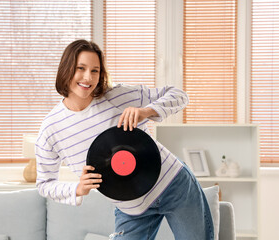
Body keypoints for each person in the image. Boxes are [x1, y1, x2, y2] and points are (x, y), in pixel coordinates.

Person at [35, 39, 214, 240]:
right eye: (81, 68)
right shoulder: (51, 128)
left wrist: (146, 111)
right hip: (132, 209)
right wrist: (77, 188)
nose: (88, 77)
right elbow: (44, 183)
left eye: (95, 70)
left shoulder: (117, 96)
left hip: (174, 185)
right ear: (66, 69)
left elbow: (179, 95)